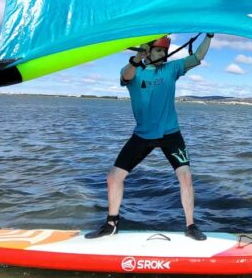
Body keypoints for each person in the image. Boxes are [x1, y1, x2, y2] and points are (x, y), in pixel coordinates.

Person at [86, 33, 213, 240]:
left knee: (186, 177)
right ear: (147, 52)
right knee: (113, 177)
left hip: (171, 134)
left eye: (164, 51)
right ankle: (111, 224)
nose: (163, 55)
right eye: (158, 50)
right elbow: (126, 76)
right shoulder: (134, 72)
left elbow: (198, 57)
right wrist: (136, 59)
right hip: (142, 135)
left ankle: (191, 226)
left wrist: (209, 36)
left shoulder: (172, 69)